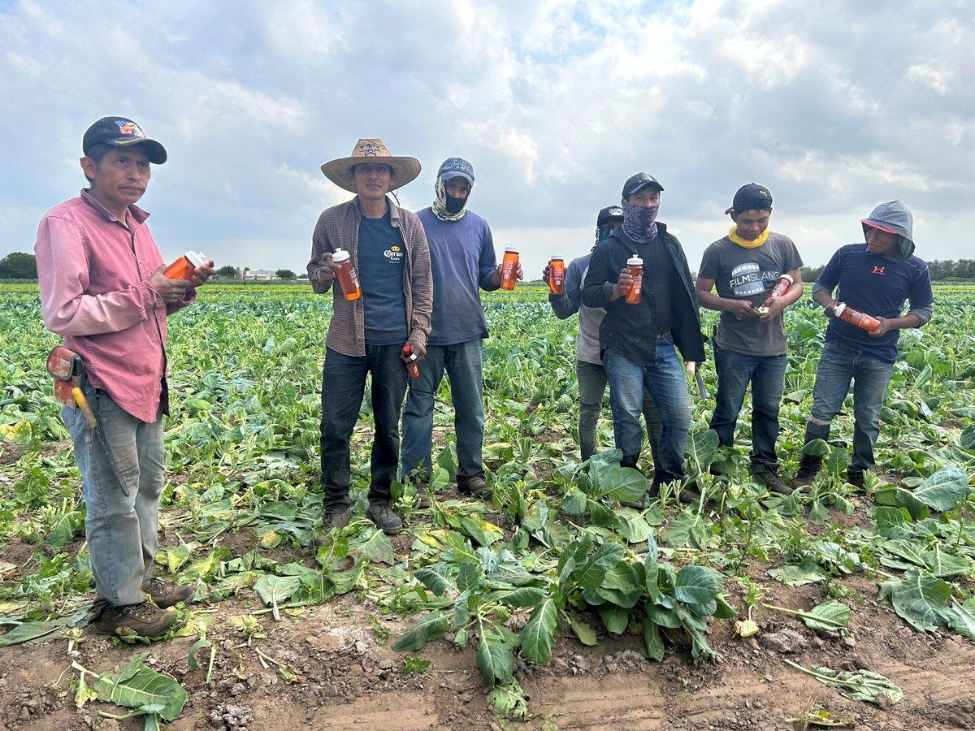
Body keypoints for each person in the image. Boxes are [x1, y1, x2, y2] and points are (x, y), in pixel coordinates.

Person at [35, 116, 214, 637]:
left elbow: (148, 307)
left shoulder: (138, 224)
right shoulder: (65, 223)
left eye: (142, 164)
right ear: (89, 166)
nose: (135, 173)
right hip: (100, 383)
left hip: (146, 379)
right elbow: (64, 313)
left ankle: (141, 579)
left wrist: (178, 292)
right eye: (121, 161)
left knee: (146, 488)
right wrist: (150, 294)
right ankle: (119, 605)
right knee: (113, 496)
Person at [308, 139, 432, 537]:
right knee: (334, 425)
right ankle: (336, 504)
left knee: (387, 425)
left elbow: (422, 284)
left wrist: (419, 333)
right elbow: (314, 276)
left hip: (394, 342)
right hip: (345, 341)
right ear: (354, 178)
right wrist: (324, 272)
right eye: (365, 169)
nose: (373, 176)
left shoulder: (409, 225)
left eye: (381, 170)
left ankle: (380, 498)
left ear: (392, 178)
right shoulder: (331, 221)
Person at [400, 158, 521, 497]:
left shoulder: (479, 226)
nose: (456, 192)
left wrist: (499, 275)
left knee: (471, 409)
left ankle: (471, 475)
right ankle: (416, 478)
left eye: (463, 188)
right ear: (439, 184)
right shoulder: (414, 223)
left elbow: (486, 277)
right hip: (424, 334)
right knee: (419, 407)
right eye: (451, 186)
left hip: (467, 331)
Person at [793, 201, 933, 488]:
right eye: (870, 230)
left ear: (900, 237)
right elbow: (819, 288)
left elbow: (923, 311)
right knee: (822, 410)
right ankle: (807, 470)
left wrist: (890, 324)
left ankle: (860, 474)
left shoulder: (915, 268)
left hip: (879, 354)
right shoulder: (848, 254)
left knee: (868, 416)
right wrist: (830, 304)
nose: (873, 237)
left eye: (881, 233)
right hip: (837, 347)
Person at [581, 173, 705, 496]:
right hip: (623, 342)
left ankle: (668, 478)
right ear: (626, 204)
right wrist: (615, 289)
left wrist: (691, 345)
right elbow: (590, 293)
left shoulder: (669, 243)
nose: (647, 205)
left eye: (653, 198)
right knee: (627, 416)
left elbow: (685, 296)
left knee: (679, 415)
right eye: (639, 199)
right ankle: (628, 482)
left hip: (662, 343)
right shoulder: (610, 248)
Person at [695, 184, 803, 493]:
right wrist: (731, 305)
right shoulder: (717, 250)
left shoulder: (783, 245)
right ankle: (718, 468)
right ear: (733, 215)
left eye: (761, 221)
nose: (754, 228)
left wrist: (781, 302)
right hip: (734, 346)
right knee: (727, 408)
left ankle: (765, 467)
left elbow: (797, 284)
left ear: (770, 215)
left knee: (768, 410)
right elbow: (701, 292)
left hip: (774, 346)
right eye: (746, 222)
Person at [544, 205, 662, 463]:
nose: (613, 231)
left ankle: (660, 470)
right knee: (589, 412)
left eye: (619, 226)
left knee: (649, 410)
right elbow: (565, 310)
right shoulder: (580, 266)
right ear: (597, 231)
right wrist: (555, 291)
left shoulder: (640, 264)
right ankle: (589, 467)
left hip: (632, 353)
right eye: (607, 227)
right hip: (592, 352)